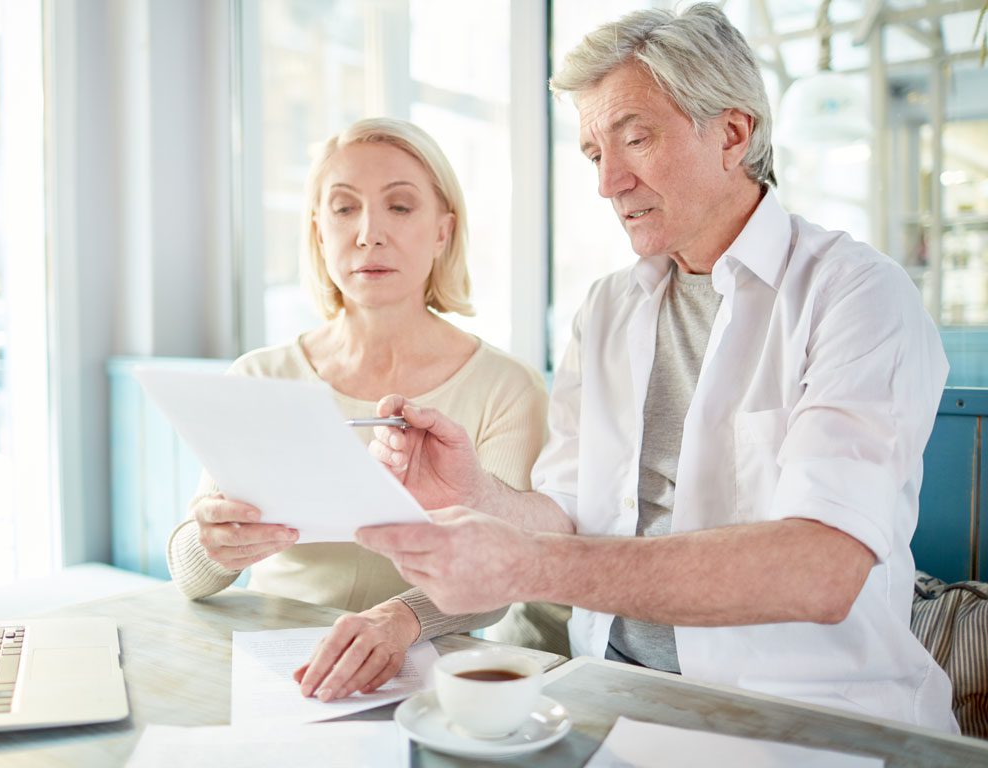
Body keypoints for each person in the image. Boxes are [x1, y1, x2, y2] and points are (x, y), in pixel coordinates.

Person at [355, 4, 959, 732]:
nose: (609, 183)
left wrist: (528, 565)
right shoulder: (607, 308)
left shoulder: (857, 294)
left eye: (635, 139)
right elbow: (570, 511)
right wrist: (478, 492)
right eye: (592, 155)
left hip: (809, 719)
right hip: (610, 696)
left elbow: (820, 568)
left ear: (734, 134)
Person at [165, 117, 564, 702]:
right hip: (275, 672)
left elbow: (499, 576)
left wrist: (401, 621)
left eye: (400, 207)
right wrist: (214, 544)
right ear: (319, 232)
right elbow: (188, 573)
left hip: (429, 678)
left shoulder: (509, 388)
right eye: (344, 209)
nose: (368, 233)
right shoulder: (258, 377)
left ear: (442, 233)